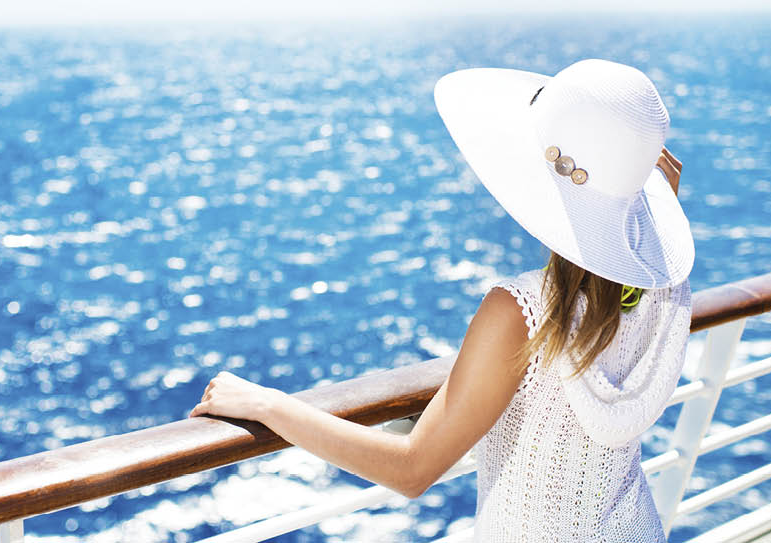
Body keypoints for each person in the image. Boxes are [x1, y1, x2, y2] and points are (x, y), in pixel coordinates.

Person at [190, 59, 694, 542]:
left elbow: (411, 469)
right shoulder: (664, 292)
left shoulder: (521, 311)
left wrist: (268, 404)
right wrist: (645, 211)